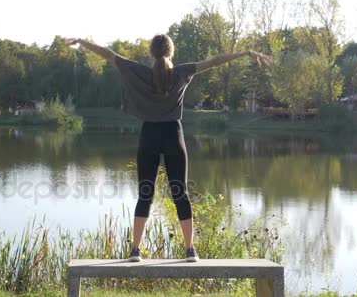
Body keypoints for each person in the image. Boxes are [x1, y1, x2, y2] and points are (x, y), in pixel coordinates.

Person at [64, 35, 271, 262]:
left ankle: (136, 250)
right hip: (173, 134)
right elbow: (215, 61)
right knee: (180, 193)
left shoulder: (138, 72)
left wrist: (82, 42)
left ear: (151, 53)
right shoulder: (182, 73)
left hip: (149, 135)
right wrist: (247, 53)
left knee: (145, 195)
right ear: (171, 52)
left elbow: (108, 53)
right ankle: (190, 250)